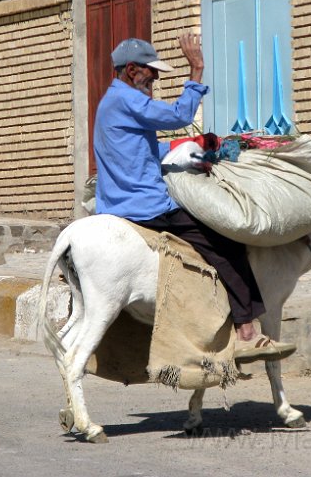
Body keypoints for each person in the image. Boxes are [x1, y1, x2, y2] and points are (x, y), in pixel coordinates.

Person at [93, 33, 296, 363]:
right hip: (144, 205)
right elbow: (179, 115)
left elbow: (143, 151)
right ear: (131, 70)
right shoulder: (127, 99)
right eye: (150, 71)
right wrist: (197, 68)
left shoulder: (111, 102)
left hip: (115, 201)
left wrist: (192, 149)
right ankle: (246, 330)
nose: (155, 77)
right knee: (225, 240)